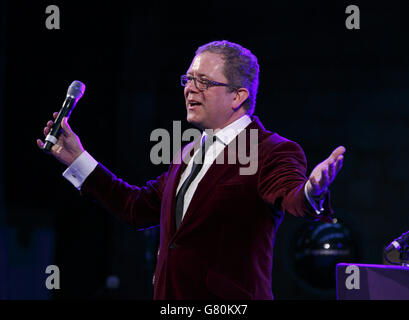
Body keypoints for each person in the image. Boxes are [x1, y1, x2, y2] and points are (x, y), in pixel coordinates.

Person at [37, 40, 345, 300]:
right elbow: (137, 208)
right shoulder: (189, 152)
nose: (190, 89)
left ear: (238, 96)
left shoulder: (271, 149)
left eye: (204, 82)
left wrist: (310, 191)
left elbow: (290, 195)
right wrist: (78, 159)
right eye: (188, 80)